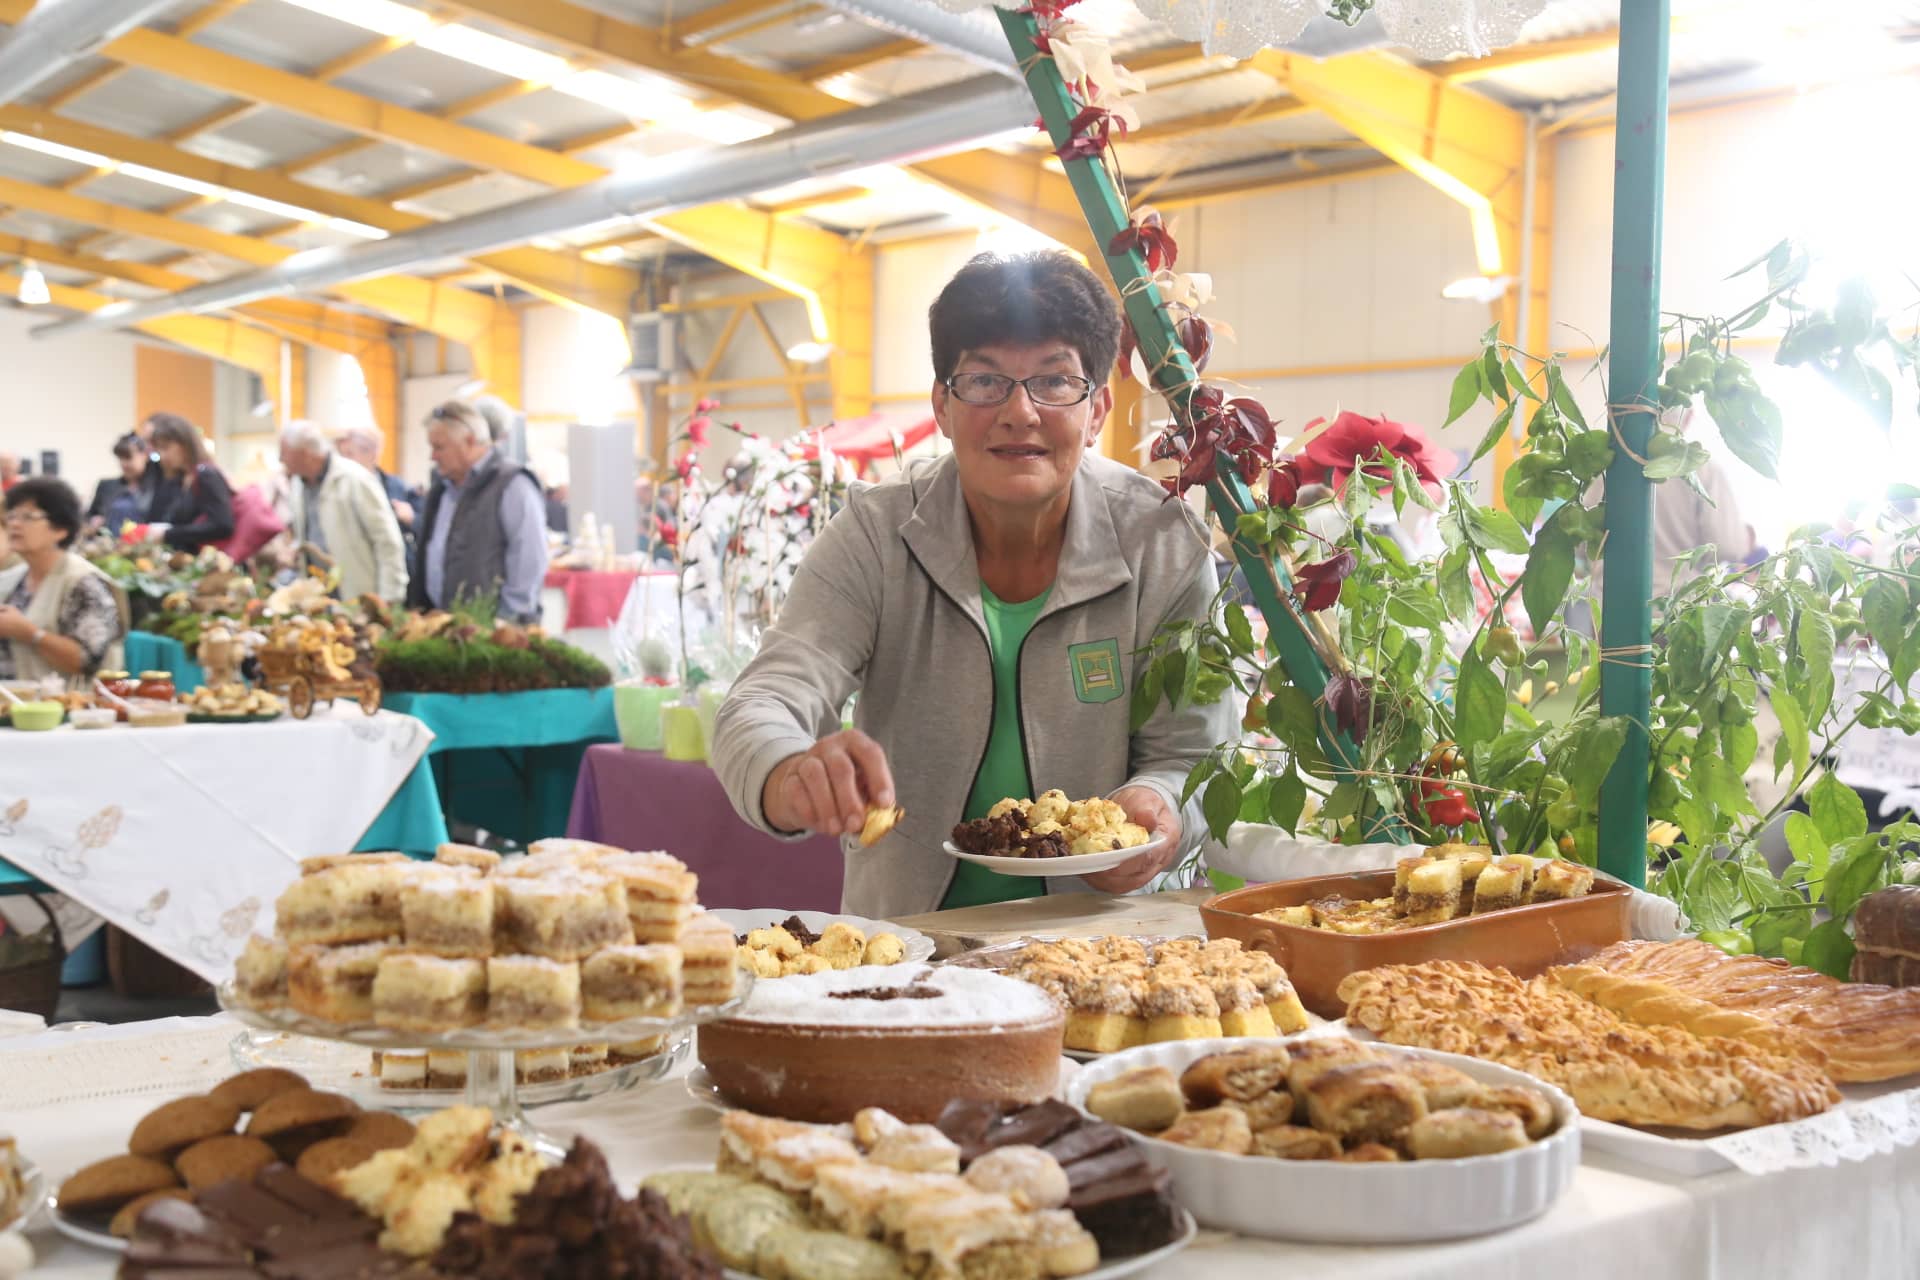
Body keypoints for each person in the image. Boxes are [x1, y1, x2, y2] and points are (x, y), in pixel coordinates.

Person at [712, 251, 1230, 919]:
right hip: (911, 945)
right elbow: (764, 698)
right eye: (985, 381)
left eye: (1055, 381)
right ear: (942, 405)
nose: (1020, 412)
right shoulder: (876, 533)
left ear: (1098, 408)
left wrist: (1160, 805)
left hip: (1104, 942)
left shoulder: (1162, 540)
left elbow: (1197, 753)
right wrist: (787, 770)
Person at [409, 400, 549, 624]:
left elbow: (529, 559)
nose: (432, 456)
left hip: (494, 631)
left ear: (470, 441)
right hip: (444, 626)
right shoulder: (441, 489)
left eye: (439, 447)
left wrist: (507, 619)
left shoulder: (513, 485)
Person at [0, 476, 127, 682]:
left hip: (65, 700)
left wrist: (30, 633)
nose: (14, 524)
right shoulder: (13, 579)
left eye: (28, 517)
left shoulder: (83, 582)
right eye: (12, 516)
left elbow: (87, 660)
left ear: (61, 529)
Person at [279, 422, 409, 601]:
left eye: (284, 453)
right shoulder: (298, 485)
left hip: (358, 594)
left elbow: (387, 542)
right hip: (317, 594)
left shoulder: (355, 479)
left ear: (306, 454)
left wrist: (390, 597)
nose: (281, 459)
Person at [147, 413, 235, 551]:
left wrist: (168, 534)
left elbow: (222, 525)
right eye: (159, 450)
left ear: (184, 443)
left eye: (166, 447)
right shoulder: (182, 478)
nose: (162, 456)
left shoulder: (206, 475)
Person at [87, 433, 162, 529]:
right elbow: (89, 516)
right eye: (120, 458)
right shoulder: (106, 486)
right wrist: (94, 521)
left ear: (145, 456)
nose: (123, 463)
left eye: (128, 457)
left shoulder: (158, 488)